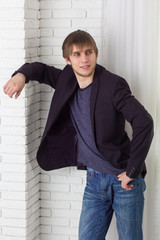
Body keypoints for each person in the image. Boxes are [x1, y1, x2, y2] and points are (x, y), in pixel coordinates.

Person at [3, 30, 153, 240]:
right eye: (77, 54)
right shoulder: (66, 78)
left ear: (96, 54)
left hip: (123, 182)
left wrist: (132, 170)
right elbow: (40, 69)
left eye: (88, 52)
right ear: (68, 60)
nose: (84, 59)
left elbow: (144, 121)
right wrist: (21, 76)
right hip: (94, 180)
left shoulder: (113, 85)